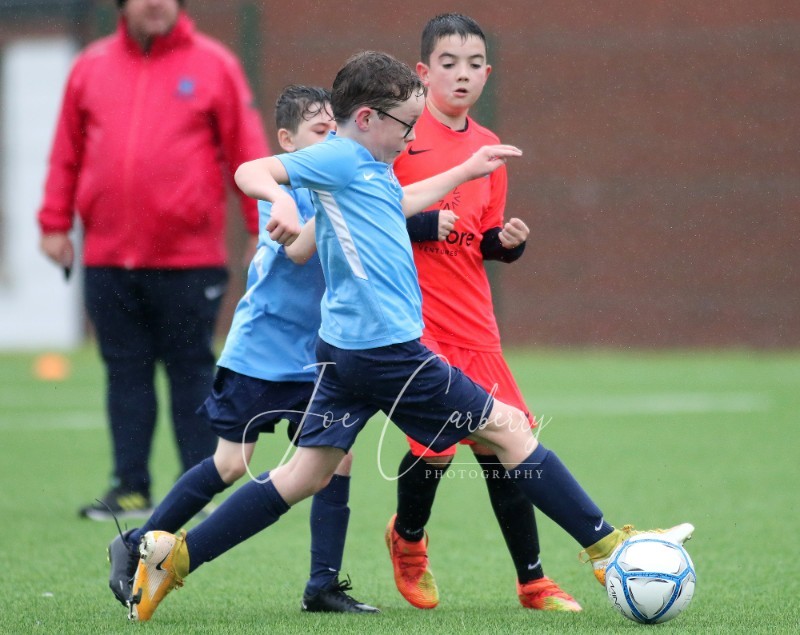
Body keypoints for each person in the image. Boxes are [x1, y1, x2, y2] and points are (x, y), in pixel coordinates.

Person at [125, 50, 693, 622]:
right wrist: (280, 203)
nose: (412, 136)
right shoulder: (341, 158)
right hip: (389, 353)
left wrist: (467, 169)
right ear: (368, 118)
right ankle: (610, 549)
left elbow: (398, 203)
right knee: (512, 428)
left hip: (345, 350)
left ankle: (175, 557)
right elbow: (251, 170)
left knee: (303, 475)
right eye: (406, 125)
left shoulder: (368, 166)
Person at [106, 85, 378, 615]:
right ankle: (138, 541)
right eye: (320, 134)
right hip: (260, 350)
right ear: (286, 140)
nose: (330, 144)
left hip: (318, 353)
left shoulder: (343, 183)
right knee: (231, 465)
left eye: (335, 134)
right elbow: (300, 252)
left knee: (335, 460)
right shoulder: (282, 191)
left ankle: (322, 586)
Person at [37, 0, 270, 520]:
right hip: (107, 256)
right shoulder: (90, 67)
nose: (156, 3)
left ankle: (199, 482)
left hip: (191, 258)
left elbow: (247, 152)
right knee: (125, 372)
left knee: (191, 370)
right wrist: (54, 223)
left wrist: (262, 228)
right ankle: (130, 486)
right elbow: (66, 151)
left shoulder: (215, 65)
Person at [384, 13, 578, 612]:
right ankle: (408, 541)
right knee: (439, 441)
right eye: (448, 63)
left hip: (475, 322)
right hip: (415, 320)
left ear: (487, 74)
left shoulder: (490, 148)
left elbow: (480, 237)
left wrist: (507, 244)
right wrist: (417, 222)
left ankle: (533, 581)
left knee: (507, 444)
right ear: (423, 72)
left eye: (473, 65)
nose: (462, 75)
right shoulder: (398, 138)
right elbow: (365, 221)